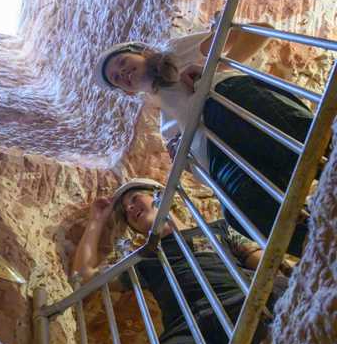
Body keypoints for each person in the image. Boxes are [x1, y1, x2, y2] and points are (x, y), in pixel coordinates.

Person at [94, 21, 312, 257]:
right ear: (128, 92)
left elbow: (257, 30)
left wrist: (214, 71)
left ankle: (324, 152)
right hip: (226, 157)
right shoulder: (166, 125)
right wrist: (184, 159)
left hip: (234, 107)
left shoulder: (174, 51)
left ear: (144, 53)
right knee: (237, 213)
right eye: (116, 78)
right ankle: (318, 243)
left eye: (122, 62)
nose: (123, 73)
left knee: (222, 113)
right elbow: (200, 166)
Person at [72, 178, 289, 344]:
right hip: (186, 331)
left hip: (241, 303)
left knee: (283, 329)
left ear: (160, 195)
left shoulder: (215, 230)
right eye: (125, 212)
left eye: (135, 198)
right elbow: (83, 277)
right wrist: (96, 221)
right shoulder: (143, 261)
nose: (129, 208)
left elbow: (268, 266)